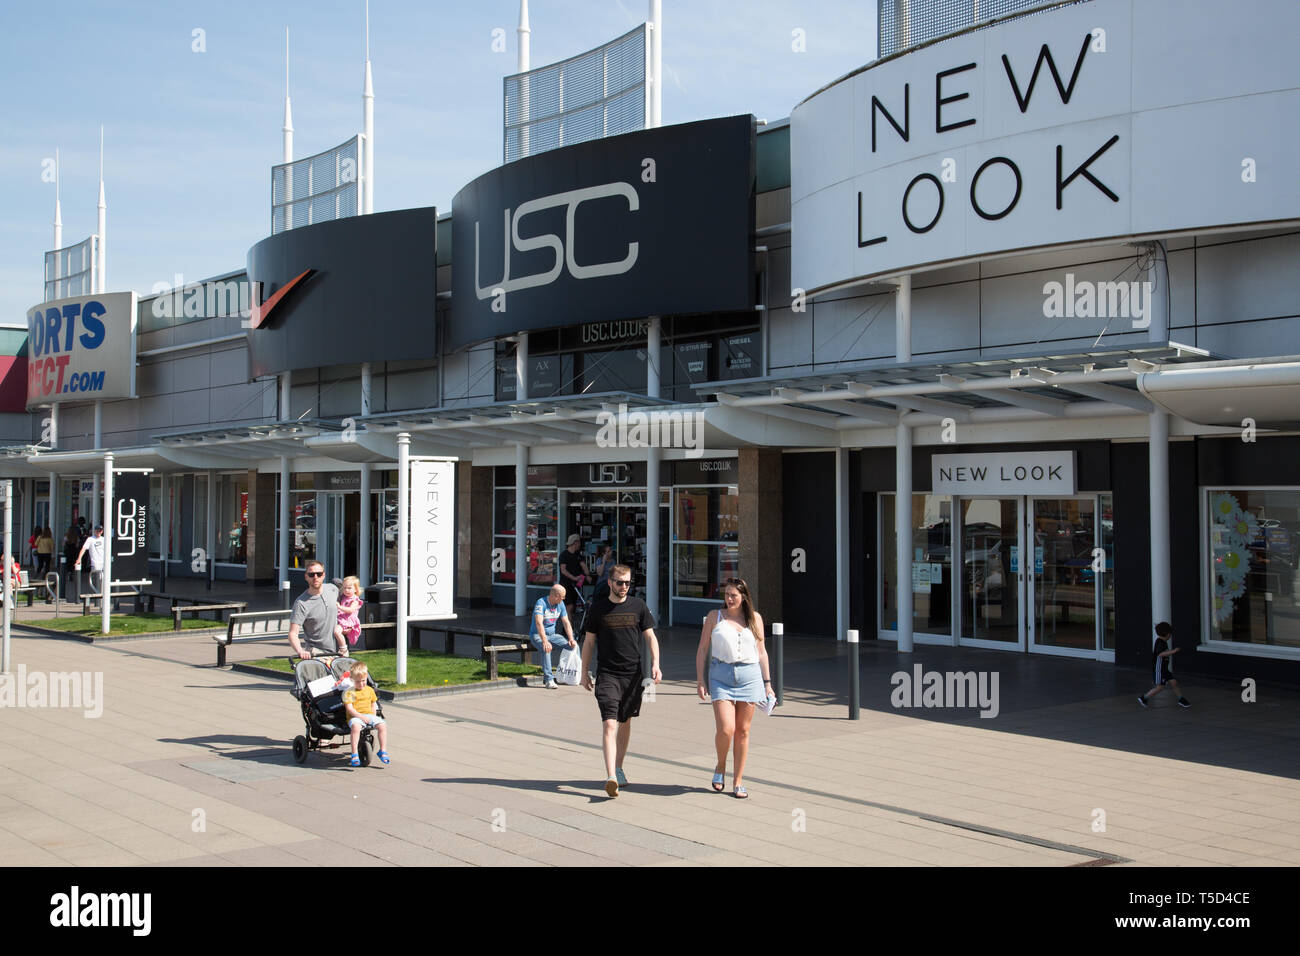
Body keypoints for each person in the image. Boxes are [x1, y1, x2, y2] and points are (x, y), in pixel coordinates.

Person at [580, 564, 661, 798]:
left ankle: (618, 767)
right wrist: (585, 671)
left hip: (632, 676)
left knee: (625, 721)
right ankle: (611, 777)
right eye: (619, 582)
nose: (624, 587)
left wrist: (655, 663)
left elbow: (650, 637)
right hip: (607, 674)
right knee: (610, 723)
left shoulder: (638, 606)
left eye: (627, 583)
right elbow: (589, 642)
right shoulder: (598, 609)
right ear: (609, 583)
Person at [695, 577, 772, 799]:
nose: (729, 599)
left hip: (749, 676)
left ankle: (738, 781)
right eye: (726, 594)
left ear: (744, 597)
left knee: (743, 731)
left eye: (733, 595)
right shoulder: (714, 617)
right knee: (726, 729)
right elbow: (702, 649)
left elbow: (762, 652)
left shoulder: (754, 619)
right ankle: (720, 766)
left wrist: (768, 685)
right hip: (721, 675)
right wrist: (701, 679)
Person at [287, 560, 347, 659]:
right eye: (311, 574)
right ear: (306, 577)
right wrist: (300, 651)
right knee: (325, 675)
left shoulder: (333, 589)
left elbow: (348, 603)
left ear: (323, 575)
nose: (315, 577)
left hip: (339, 650)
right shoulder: (301, 603)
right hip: (317, 653)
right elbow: (293, 633)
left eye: (319, 574)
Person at [529, 583, 576, 689]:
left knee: (572, 647)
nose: (564, 599)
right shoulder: (541, 603)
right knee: (547, 648)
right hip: (537, 635)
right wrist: (545, 641)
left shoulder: (560, 604)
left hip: (552, 635)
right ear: (555, 596)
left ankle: (571, 673)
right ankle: (549, 680)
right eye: (562, 596)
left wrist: (571, 639)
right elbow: (538, 623)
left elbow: (566, 622)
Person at [342, 661, 389, 767]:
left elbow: (373, 704)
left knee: (382, 725)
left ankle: (383, 750)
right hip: (355, 716)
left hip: (368, 715)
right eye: (358, 682)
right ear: (352, 680)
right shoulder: (349, 692)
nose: (361, 684)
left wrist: (373, 716)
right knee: (356, 727)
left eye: (363, 681)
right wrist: (361, 717)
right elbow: (350, 709)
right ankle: (354, 753)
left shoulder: (369, 690)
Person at [1138, 621, 1191, 709]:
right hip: (1159, 669)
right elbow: (1160, 654)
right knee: (1160, 687)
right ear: (1167, 634)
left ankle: (1181, 699)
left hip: (1164, 669)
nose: (1170, 636)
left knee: (1174, 682)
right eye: (1170, 634)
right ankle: (1144, 698)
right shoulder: (1160, 643)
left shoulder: (1162, 642)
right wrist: (1173, 651)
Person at [558, 534, 590, 619]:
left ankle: (566, 629)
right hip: (565, 585)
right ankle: (569, 630)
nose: (580, 545)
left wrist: (587, 575)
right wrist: (574, 578)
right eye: (579, 542)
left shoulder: (578, 555)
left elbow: (583, 565)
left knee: (573, 608)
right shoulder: (564, 555)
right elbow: (563, 570)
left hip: (575, 586)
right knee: (569, 606)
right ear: (575, 543)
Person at [74, 524, 106, 604]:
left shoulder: (104, 539)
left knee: (103, 581)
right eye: (97, 530)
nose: (98, 532)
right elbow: (84, 549)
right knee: (97, 580)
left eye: (100, 531)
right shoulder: (90, 539)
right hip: (95, 563)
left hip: (104, 563)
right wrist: (79, 558)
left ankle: (101, 599)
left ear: (102, 531)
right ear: (94, 531)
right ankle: (98, 599)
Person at [337, 575, 364, 647]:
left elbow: (350, 610)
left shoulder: (355, 600)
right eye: (344, 588)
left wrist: (339, 607)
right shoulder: (343, 597)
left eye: (349, 588)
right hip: (341, 619)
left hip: (348, 621)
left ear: (355, 589)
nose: (346, 590)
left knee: (336, 632)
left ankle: (343, 647)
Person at [62, 527, 81, 601]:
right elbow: (77, 545)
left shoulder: (67, 536)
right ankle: (71, 573)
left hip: (67, 551)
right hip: (73, 551)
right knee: (73, 563)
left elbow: (63, 544)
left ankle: (68, 573)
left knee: (67, 563)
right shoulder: (76, 537)